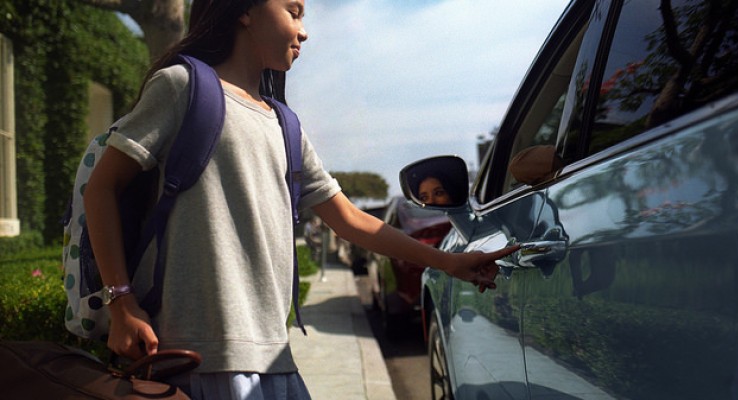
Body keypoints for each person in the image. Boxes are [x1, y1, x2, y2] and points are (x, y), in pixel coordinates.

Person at [83, 0, 518, 398]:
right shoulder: (181, 87)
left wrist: (449, 262)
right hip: (188, 358)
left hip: (274, 360)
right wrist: (121, 302)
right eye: (294, 11)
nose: (304, 31)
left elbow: (350, 220)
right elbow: (101, 189)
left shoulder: (285, 125)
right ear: (246, 11)